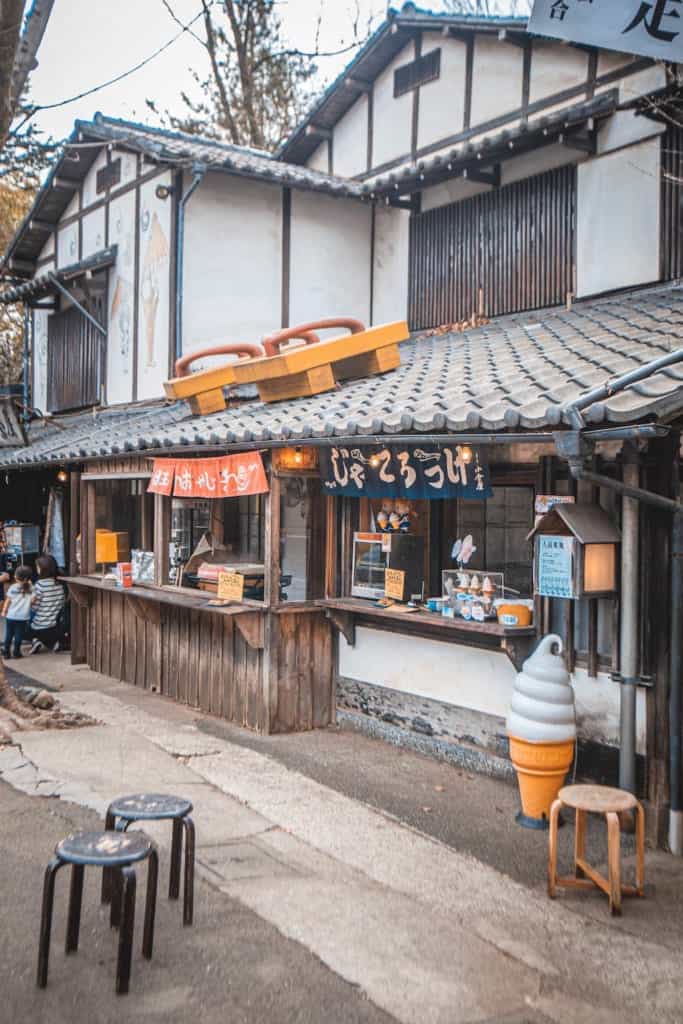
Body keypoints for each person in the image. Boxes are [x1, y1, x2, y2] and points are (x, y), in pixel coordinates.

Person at [29, 554, 66, 654]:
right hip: (55, 626)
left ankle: (35, 640)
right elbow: (62, 603)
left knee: (24, 620)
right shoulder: (59, 584)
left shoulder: (39, 584)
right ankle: (54, 643)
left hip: (39, 627)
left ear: (43, 569)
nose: (36, 569)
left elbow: (35, 606)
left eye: (37, 567)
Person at [2, 565, 33, 659]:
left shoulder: (13, 587)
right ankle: (16, 652)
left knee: (9, 634)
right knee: (19, 635)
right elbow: (34, 600)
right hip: (23, 617)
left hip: (11, 616)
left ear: (16, 577)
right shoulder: (31, 588)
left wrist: (4, 611)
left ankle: (6, 652)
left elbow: (8, 600)